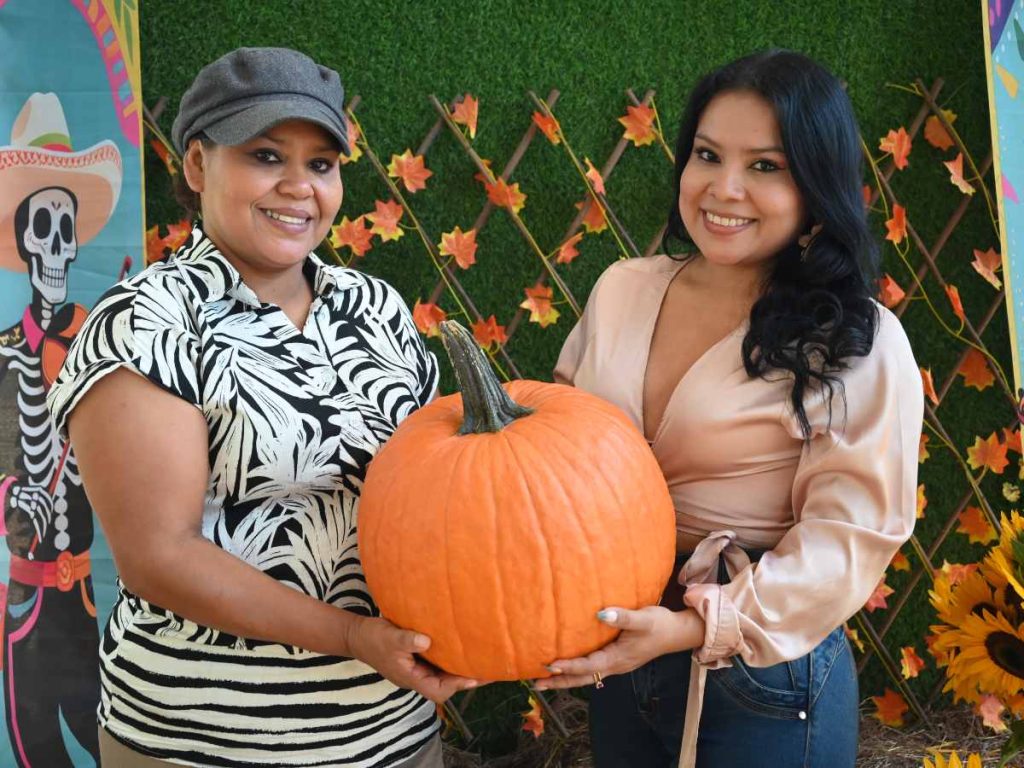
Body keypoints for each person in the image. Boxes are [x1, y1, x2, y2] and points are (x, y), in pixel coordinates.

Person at [46, 47, 476, 768]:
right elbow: (159, 556)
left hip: (390, 732)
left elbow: (438, 489)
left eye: (321, 164)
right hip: (205, 740)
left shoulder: (374, 307)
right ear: (196, 164)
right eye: (266, 155)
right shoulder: (148, 321)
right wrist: (351, 636)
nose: (299, 187)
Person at [536, 50, 922, 768]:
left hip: (760, 667)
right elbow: (558, 446)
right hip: (619, 642)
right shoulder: (623, 289)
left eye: (766, 166)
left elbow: (850, 537)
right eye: (708, 155)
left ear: (815, 185)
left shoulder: (854, 340)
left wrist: (694, 627)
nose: (725, 187)